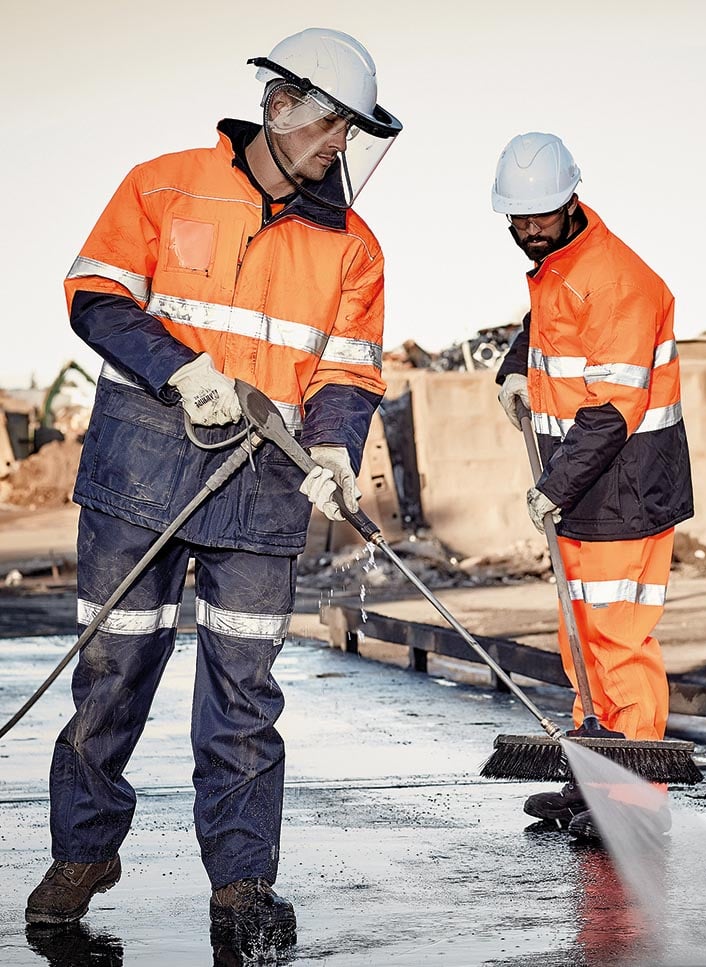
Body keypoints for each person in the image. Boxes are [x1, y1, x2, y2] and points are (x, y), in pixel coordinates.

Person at [25, 27, 402, 950]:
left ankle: (241, 885)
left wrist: (336, 451)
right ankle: (84, 849)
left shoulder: (353, 246)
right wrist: (177, 370)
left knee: (244, 693)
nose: (336, 146)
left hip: (264, 482)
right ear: (278, 107)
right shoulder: (163, 181)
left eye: (350, 133)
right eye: (327, 125)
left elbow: (348, 373)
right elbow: (95, 292)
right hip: (143, 469)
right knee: (113, 671)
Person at [492, 132, 694, 841]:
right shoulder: (560, 263)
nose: (527, 231)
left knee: (616, 638)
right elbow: (543, 328)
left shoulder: (616, 281)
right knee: (578, 636)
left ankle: (635, 806)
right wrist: (513, 368)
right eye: (516, 221)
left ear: (571, 200)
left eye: (539, 217)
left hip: (625, 488)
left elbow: (613, 408)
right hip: (583, 488)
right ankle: (591, 781)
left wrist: (553, 484)